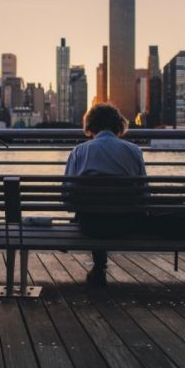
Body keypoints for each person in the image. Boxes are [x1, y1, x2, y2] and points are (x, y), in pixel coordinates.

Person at [63, 103, 144, 286]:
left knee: (92, 210)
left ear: (90, 125)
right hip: (126, 225)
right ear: (119, 124)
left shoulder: (79, 152)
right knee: (112, 209)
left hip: (91, 226)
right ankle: (100, 265)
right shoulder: (134, 151)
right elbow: (143, 192)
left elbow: (67, 196)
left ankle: (99, 265)